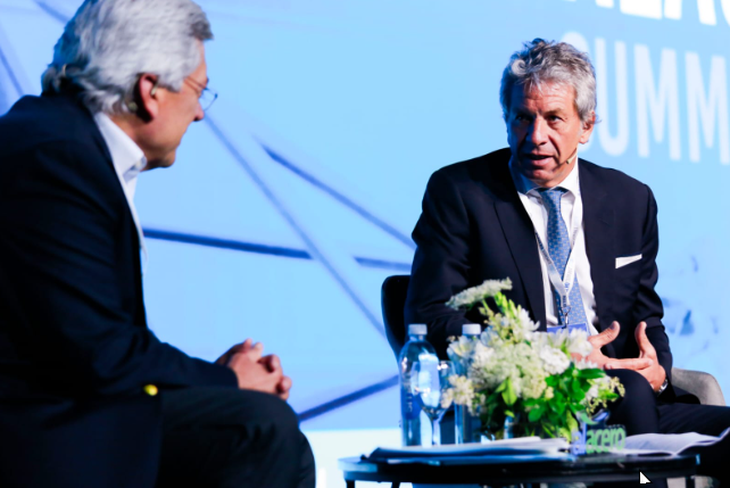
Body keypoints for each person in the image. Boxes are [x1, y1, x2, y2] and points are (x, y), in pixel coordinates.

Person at [0, 1, 314, 487]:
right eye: (198, 90)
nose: (199, 115)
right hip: (40, 434)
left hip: (66, 407)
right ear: (150, 90)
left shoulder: (58, 138)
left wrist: (213, 380)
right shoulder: (57, 159)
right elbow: (101, 355)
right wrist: (230, 381)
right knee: (259, 427)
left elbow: (88, 344)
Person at [405, 38, 730, 482]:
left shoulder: (631, 200)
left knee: (647, 397)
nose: (536, 136)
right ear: (507, 121)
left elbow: (646, 320)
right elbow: (430, 316)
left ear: (587, 125)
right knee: (627, 401)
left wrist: (658, 370)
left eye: (554, 118)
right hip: (535, 421)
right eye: (523, 118)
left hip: (629, 411)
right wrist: (554, 354)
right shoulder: (461, 193)